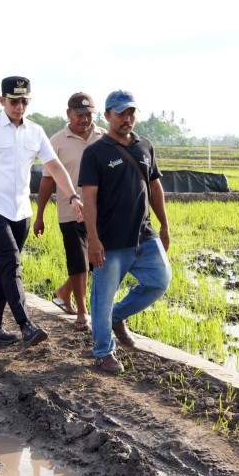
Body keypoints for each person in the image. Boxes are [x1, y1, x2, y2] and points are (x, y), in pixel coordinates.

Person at [0, 77, 82, 347]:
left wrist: (73, 196)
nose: (19, 107)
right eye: (13, 101)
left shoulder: (35, 131)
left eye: (24, 101)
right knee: (12, 262)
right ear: (2, 100)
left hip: (21, 210)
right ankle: (25, 325)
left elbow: (54, 167)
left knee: (4, 267)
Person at [78, 90, 172, 373]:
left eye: (131, 113)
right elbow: (89, 199)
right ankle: (103, 351)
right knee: (102, 298)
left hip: (144, 234)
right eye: (121, 113)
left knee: (160, 280)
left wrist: (164, 226)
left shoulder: (145, 146)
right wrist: (93, 240)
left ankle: (117, 317)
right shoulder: (95, 153)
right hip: (110, 241)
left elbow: (155, 187)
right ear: (107, 116)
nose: (127, 118)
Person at [33, 93, 104, 332]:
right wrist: (40, 215)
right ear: (68, 114)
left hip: (100, 211)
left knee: (96, 258)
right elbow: (46, 182)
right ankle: (82, 312)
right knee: (78, 260)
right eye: (79, 115)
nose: (85, 120)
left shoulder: (104, 138)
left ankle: (64, 291)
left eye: (88, 115)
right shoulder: (56, 141)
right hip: (69, 211)